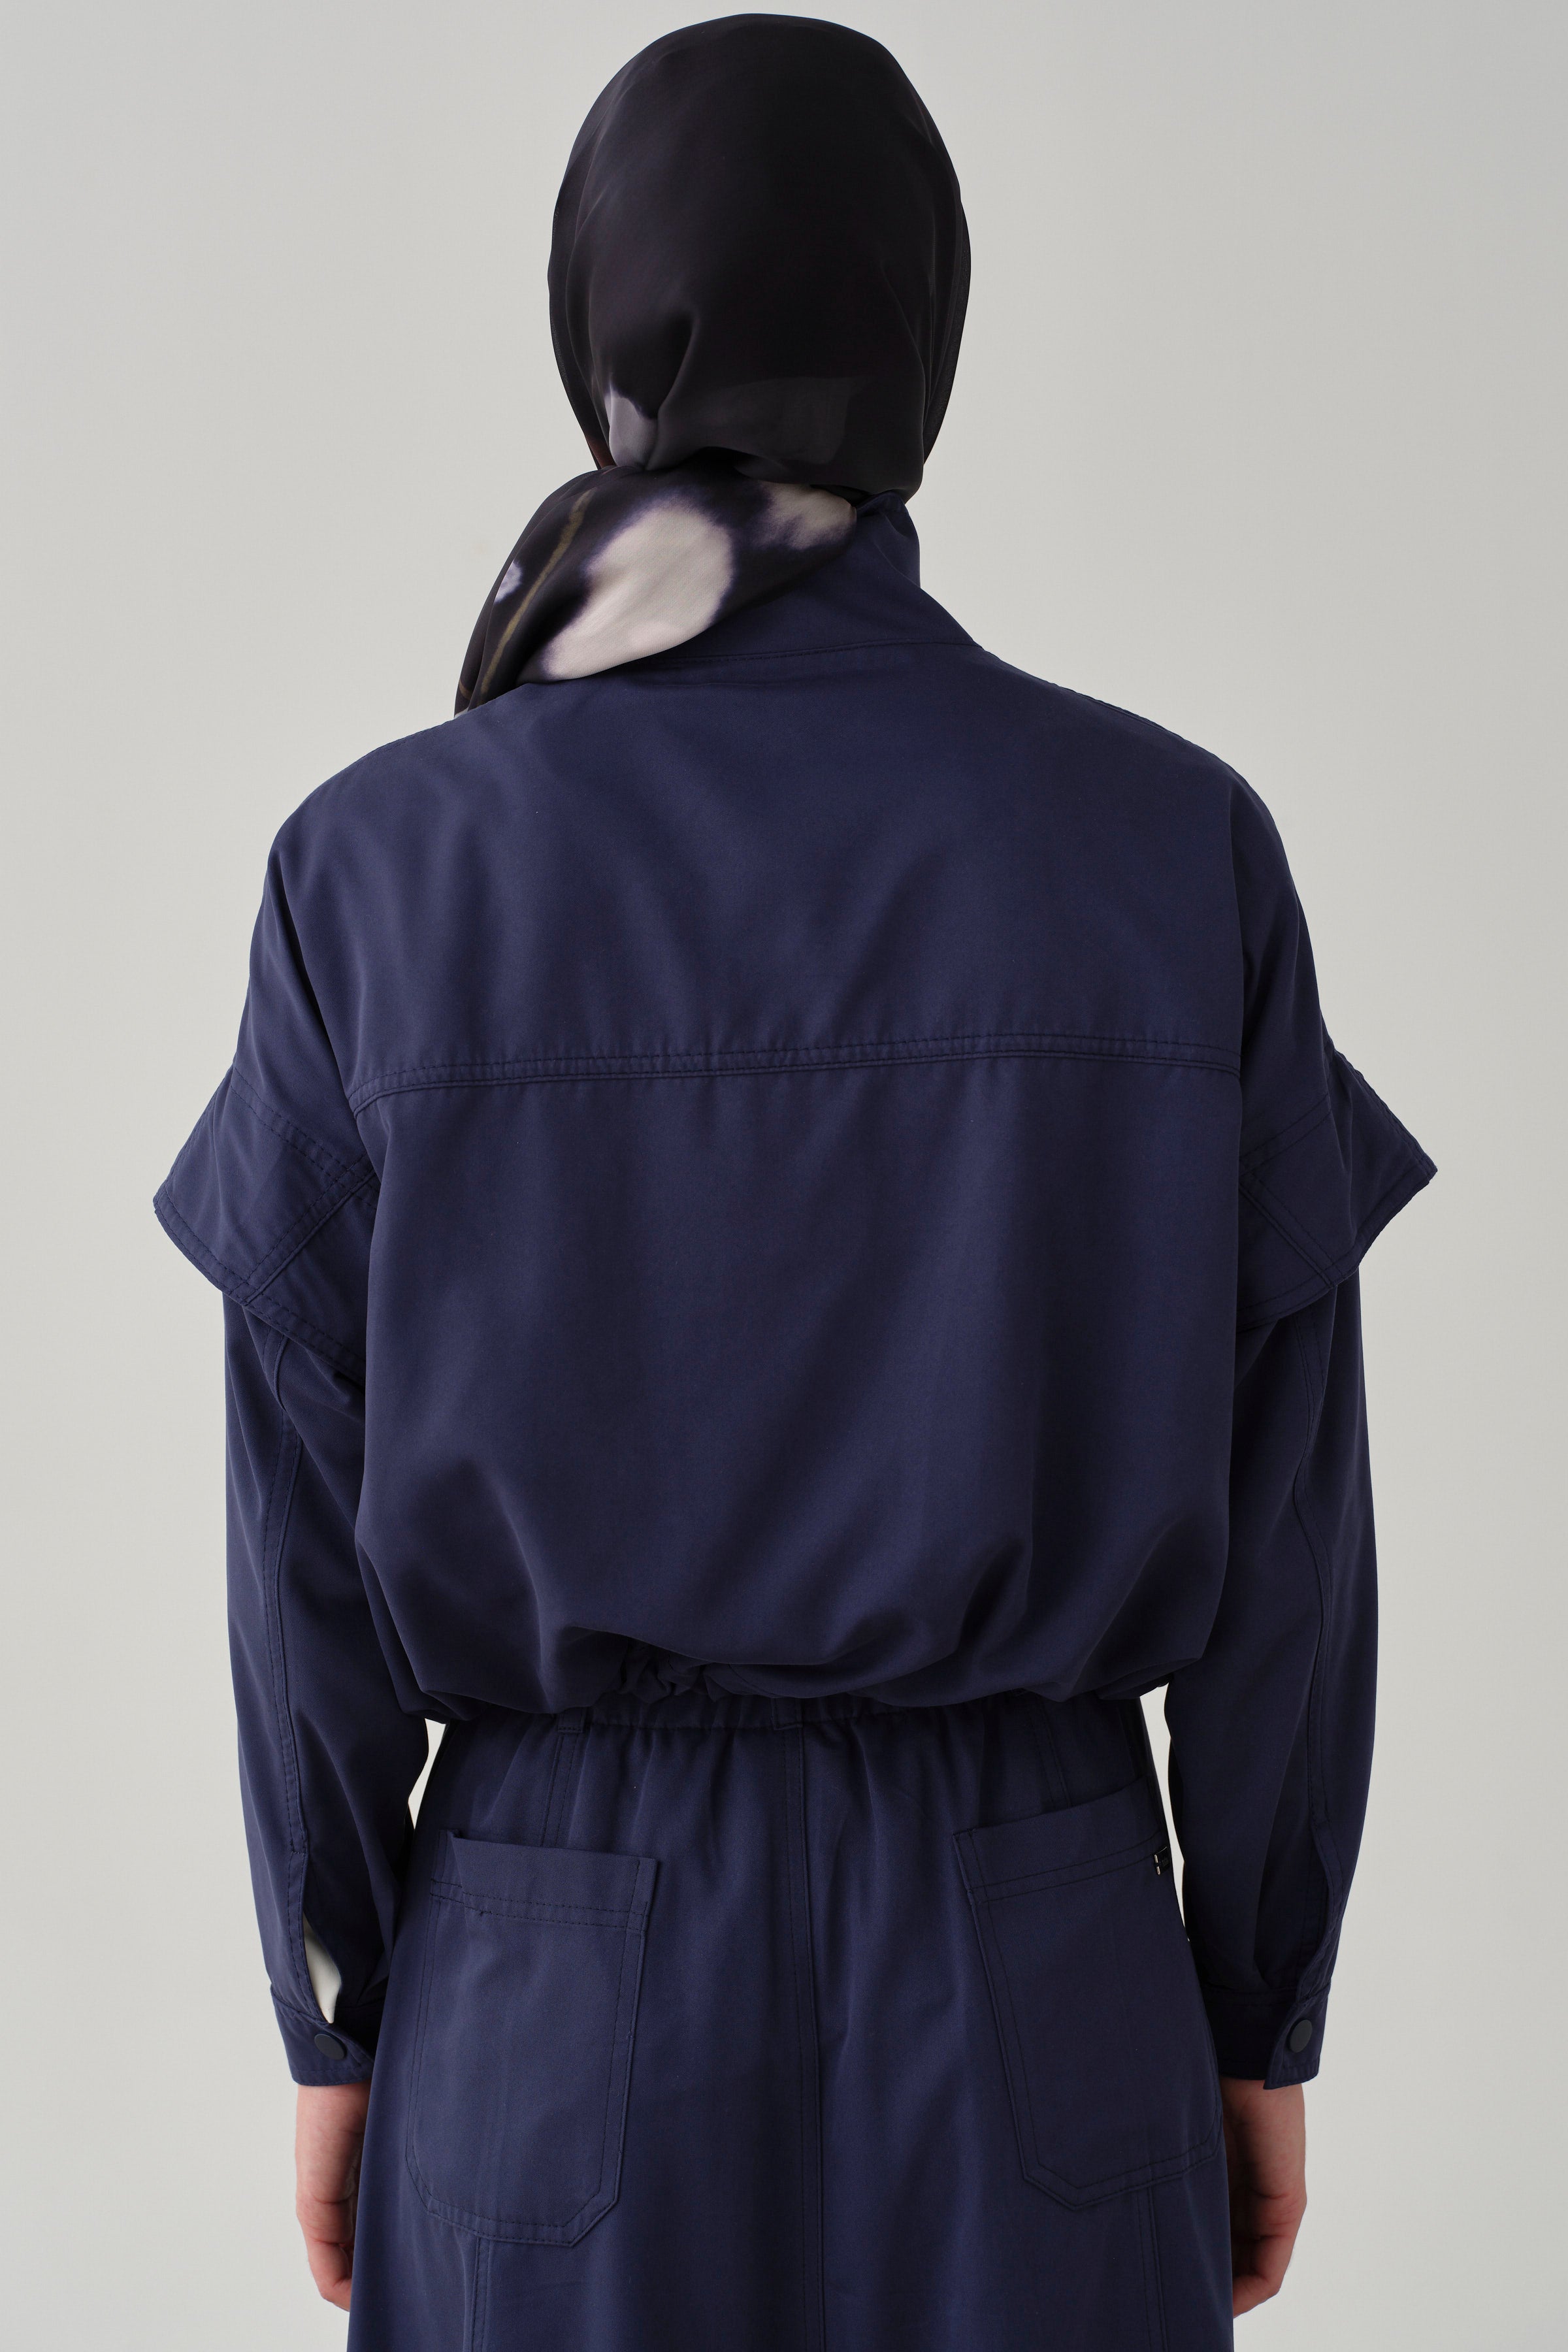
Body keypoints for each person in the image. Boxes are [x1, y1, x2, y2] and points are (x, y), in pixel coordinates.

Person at [157, 17, 1433, 2348]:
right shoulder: (1175, 852)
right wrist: (1260, 2008)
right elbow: (1296, 1534)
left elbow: (294, 1547)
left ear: (595, 335)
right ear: (926, 339)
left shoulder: (375, 876)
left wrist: (333, 2013)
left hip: (548, 1986)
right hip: (1041, 1951)